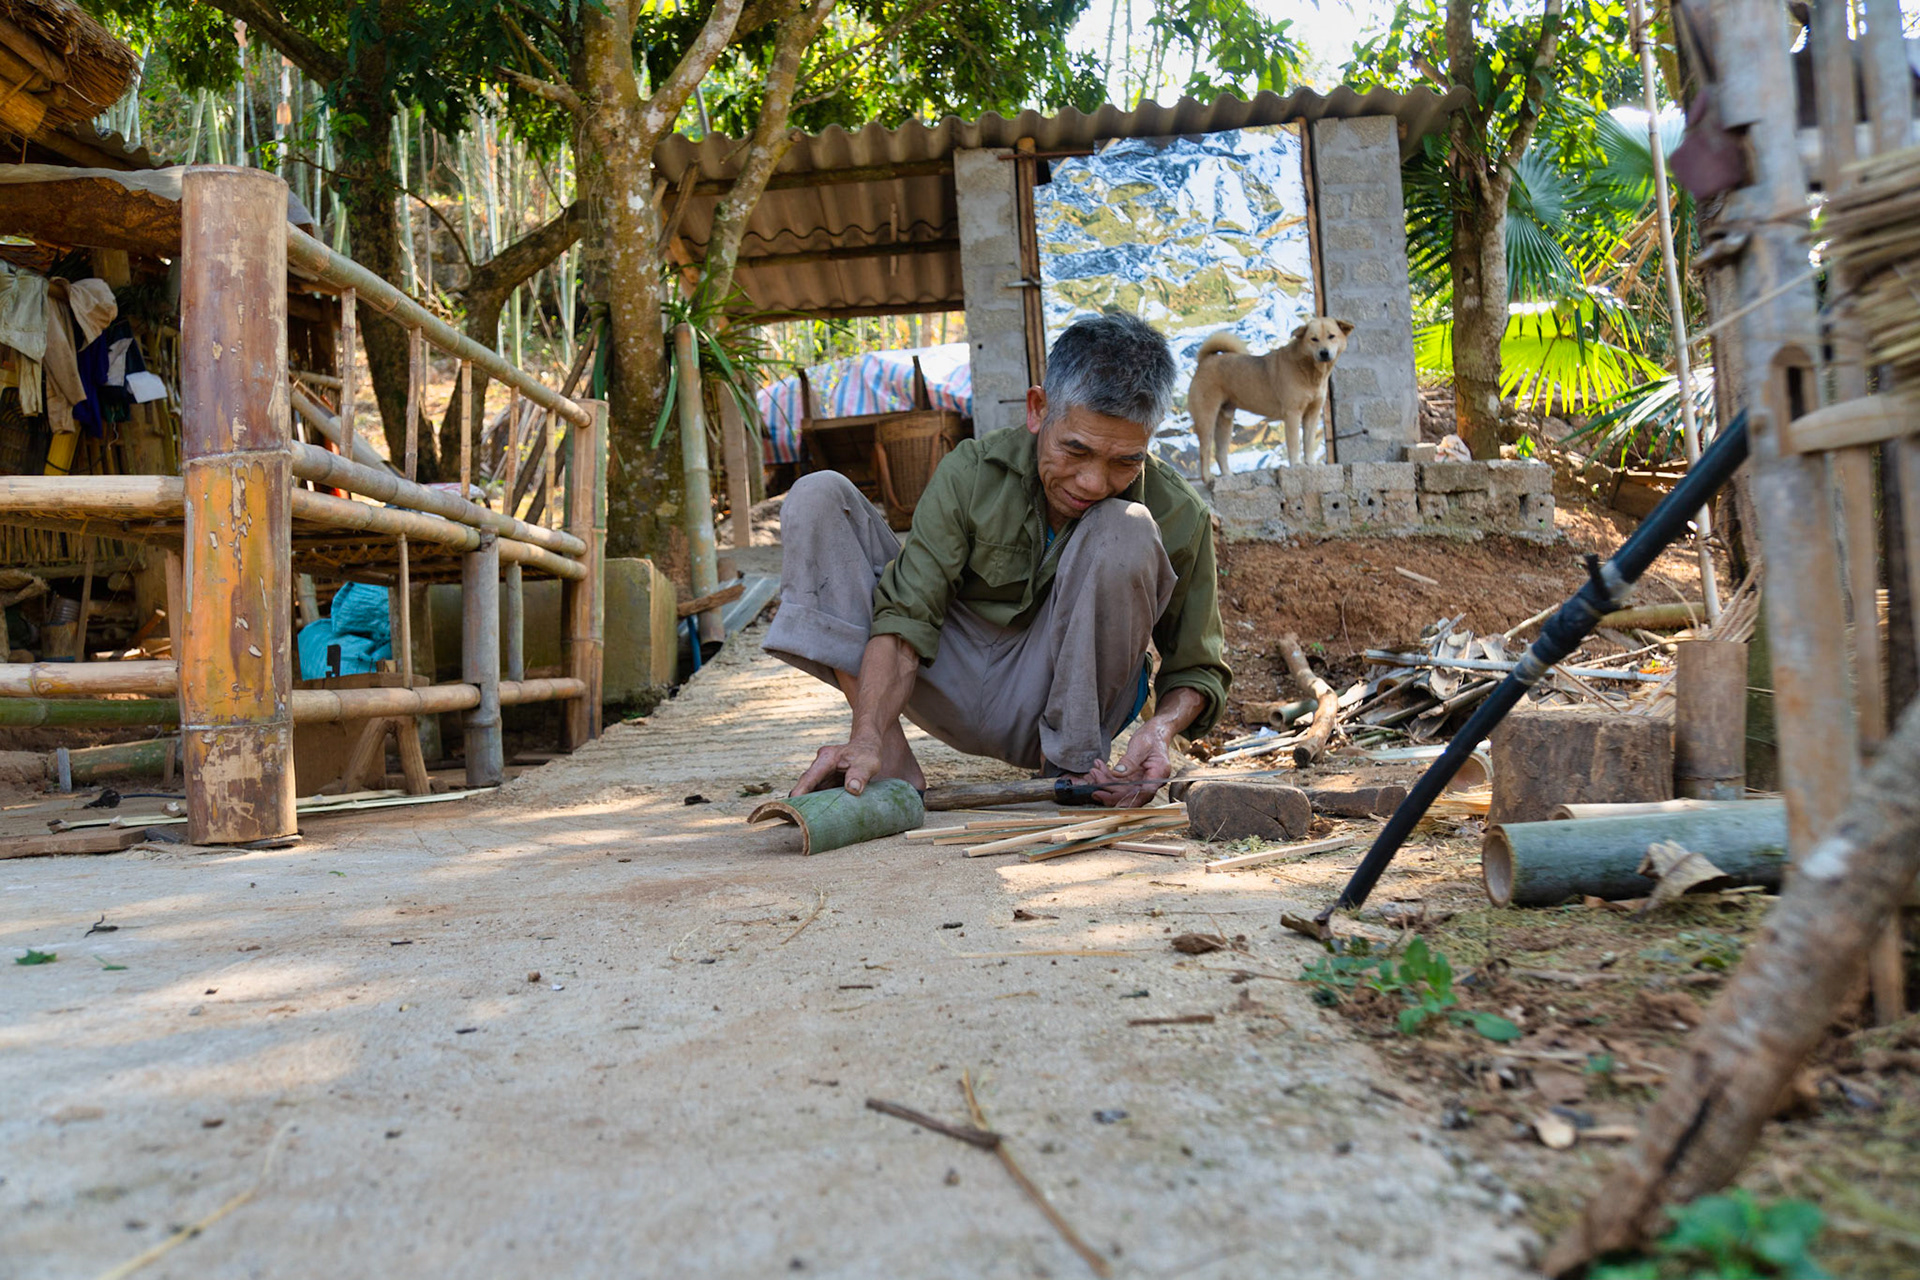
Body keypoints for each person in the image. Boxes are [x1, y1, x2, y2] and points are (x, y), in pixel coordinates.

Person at [764, 313, 1230, 807]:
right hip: (945, 677)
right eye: (1075, 450)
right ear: (1037, 410)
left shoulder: (1180, 513)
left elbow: (1197, 669)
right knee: (818, 496)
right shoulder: (972, 472)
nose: (1093, 482)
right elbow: (906, 618)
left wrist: (1161, 729)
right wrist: (866, 734)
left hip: (1066, 701)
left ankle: (1072, 773)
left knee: (1126, 528)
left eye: (1125, 461)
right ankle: (884, 756)